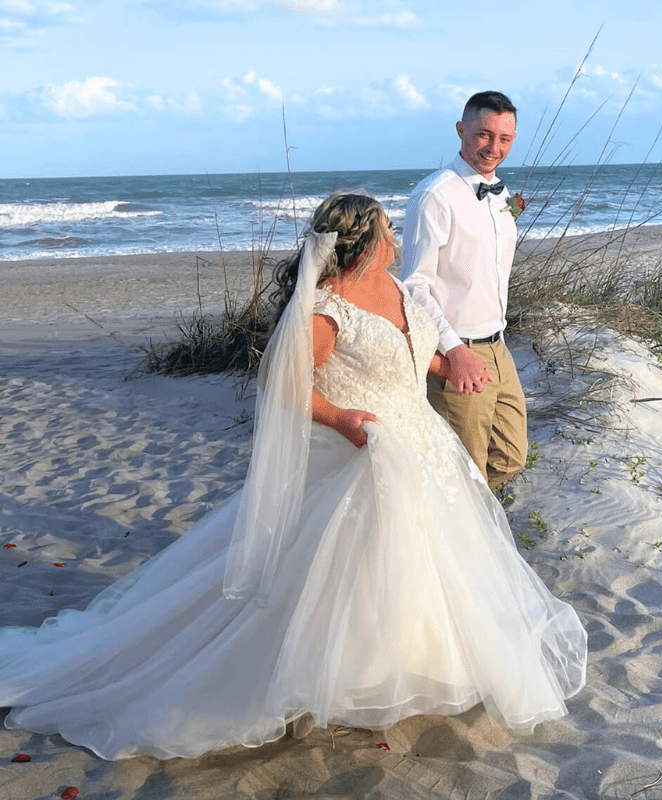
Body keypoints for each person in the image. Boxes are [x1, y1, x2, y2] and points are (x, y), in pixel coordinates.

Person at [0, 193, 586, 761]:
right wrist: (342, 419)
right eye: (387, 230)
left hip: (424, 445)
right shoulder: (327, 308)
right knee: (360, 566)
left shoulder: (399, 288)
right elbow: (282, 384)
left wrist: (452, 365)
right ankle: (338, 675)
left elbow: (414, 349)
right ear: (364, 241)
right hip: (365, 451)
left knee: (435, 563)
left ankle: (413, 667)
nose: (395, 238)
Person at [401, 90, 527, 492]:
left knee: (510, 456)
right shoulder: (435, 195)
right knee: (464, 473)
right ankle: (465, 541)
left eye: (505, 139)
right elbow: (414, 286)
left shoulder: (502, 195)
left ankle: (472, 530)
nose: (494, 148)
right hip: (456, 351)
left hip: (498, 345)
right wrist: (454, 351)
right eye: (484, 135)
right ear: (461, 130)